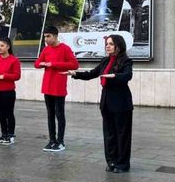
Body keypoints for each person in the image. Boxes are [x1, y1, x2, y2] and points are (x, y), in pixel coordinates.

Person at [64, 35, 133, 173]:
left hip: (121, 102)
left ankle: (122, 164)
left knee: (122, 134)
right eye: (107, 44)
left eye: (111, 44)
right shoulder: (105, 61)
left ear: (118, 46)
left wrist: (115, 76)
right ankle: (111, 161)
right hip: (106, 102)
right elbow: (91, 74)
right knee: (109, 134)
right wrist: (74, 73)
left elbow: (128, 75)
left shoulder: (126, 61)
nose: (107, 46)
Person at [35, 27, 79, 152]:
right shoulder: (46, 49)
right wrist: (43, 63)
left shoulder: (65, 49)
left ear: (55, 36)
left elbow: (75, 65)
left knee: (59, 114)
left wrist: (53, 64)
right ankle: (52, 140)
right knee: (50, 114)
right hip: (47, 87)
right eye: (45, 36)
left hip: (59, 87)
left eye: (48, 36)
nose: (46, 39)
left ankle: (60, 142)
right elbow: (37, 63)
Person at [0, 37, 21, 145]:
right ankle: (4, 134)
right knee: (1, 114)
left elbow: (17, 76)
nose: (0, 48)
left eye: (2, 46)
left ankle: (10, 135)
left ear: (8, 47)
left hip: (8, 91)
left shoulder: (14, 60)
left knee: (9, 113)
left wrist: (4, 76)